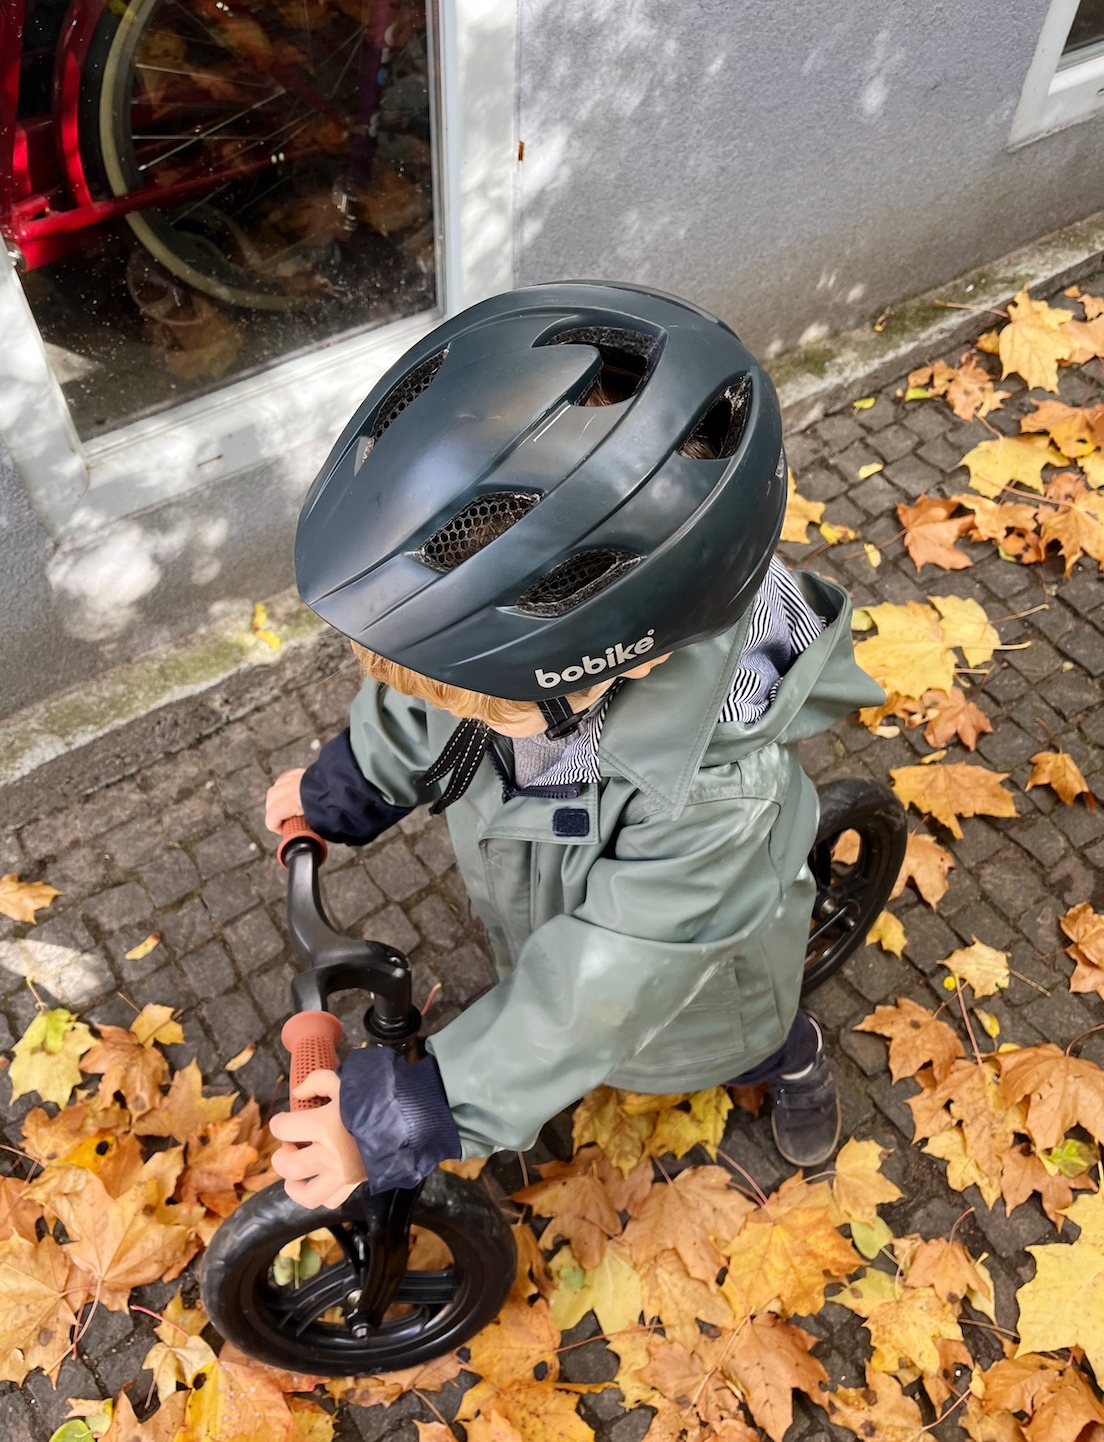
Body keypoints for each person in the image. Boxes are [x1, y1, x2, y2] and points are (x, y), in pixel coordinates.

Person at [264, 282, 882, 1211]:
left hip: (699, 989)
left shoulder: (712, 800)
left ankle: (797, 1061)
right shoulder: (524, 657)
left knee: (752, 1034)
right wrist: (348, 785)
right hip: (544, 912)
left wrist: (428, 1106)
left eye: (495, 709)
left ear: (636, 656)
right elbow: (435, 709)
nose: (468, 717)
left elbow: (608, 980)